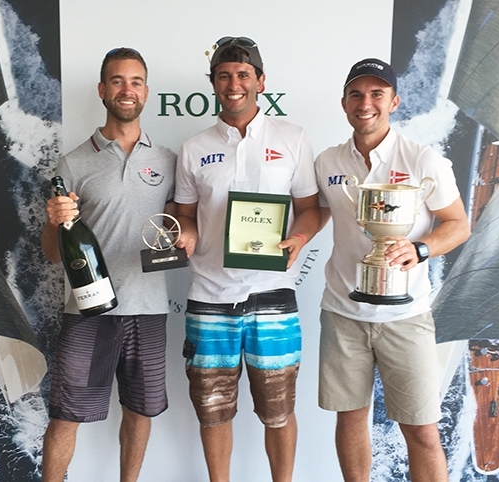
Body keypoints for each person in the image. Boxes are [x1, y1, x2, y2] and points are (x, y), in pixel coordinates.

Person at [314, 58, 470, 482]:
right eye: (356, 94)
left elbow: (458, 224)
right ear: (344, 103)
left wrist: (420, 248)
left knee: (421, 429)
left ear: (394, 102)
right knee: (350, 420)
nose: (366, 103)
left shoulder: (423, 160)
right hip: (343, 313)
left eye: (377, 94)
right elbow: (316, 213)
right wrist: (291, 238)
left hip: (406, 315)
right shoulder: (327, 161)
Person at [174, 37, 321, 482]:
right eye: (224, 76)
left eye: (242, 74)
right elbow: (184, 215)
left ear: (260, 80)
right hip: (209, 295)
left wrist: (299, 237)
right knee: (213, 412)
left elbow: (311, 208)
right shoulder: (194, 147)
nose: (233, 84)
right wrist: (187, 235)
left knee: (278, 411)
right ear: (213, 83)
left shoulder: (292, 138)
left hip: (273, 294)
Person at [40, 47, 176, 482]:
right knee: (66, 415)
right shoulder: (73, 163)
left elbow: (181, 226)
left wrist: (185, 236)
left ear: (146, 92)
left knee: (140, 412)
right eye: (117, 81)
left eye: (135, 81)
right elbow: (49, 251)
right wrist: (53, 223)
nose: (126, 89)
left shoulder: (168, 161)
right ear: (103, 90)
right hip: (88, 313)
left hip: (149, 307)